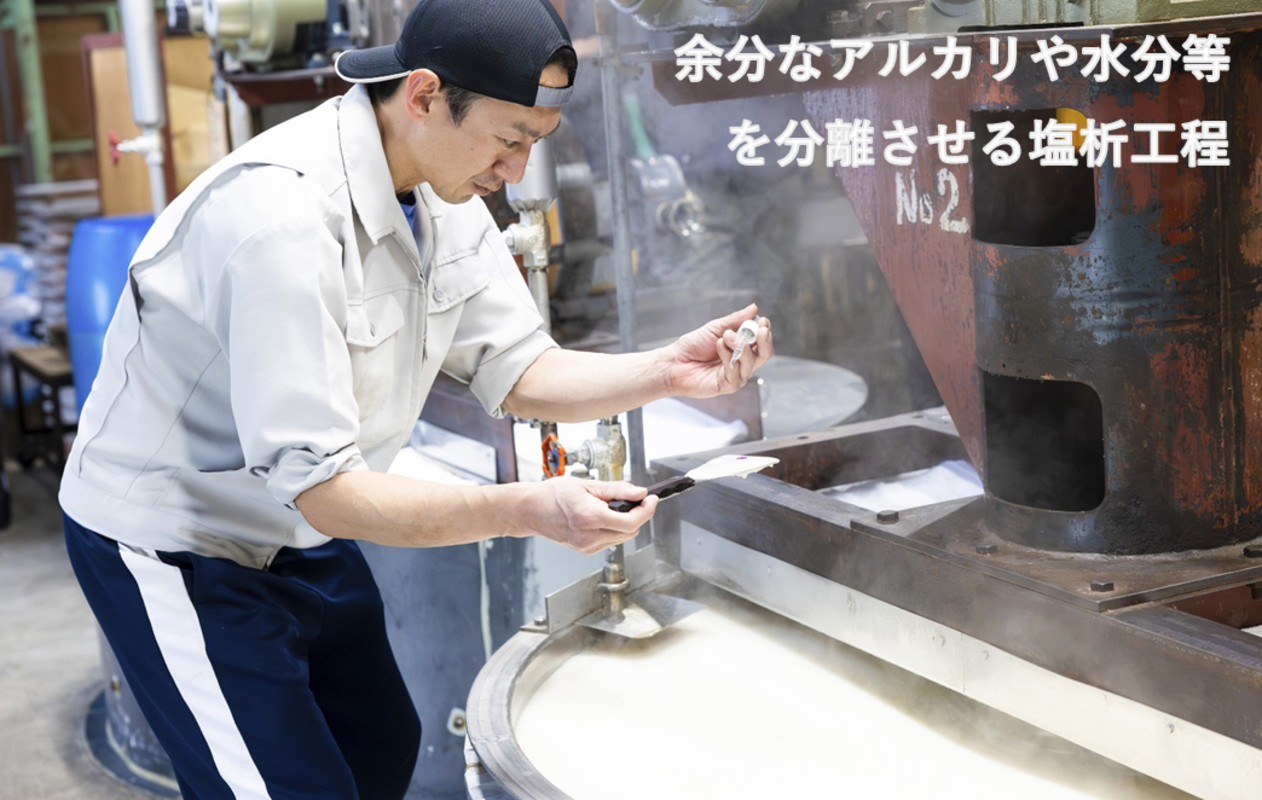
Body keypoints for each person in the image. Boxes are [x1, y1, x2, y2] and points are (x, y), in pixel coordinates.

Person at [58, 0, 773, 797]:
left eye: (534, 146)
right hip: (180, 540)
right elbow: (326, 491)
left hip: (295, 516)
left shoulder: (439, 187)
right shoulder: (279, 221)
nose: (516, 173)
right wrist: (527, 507)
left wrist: (670, 371)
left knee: (380, 744)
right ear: (426, 95)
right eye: (509, 142)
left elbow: (522, 368)